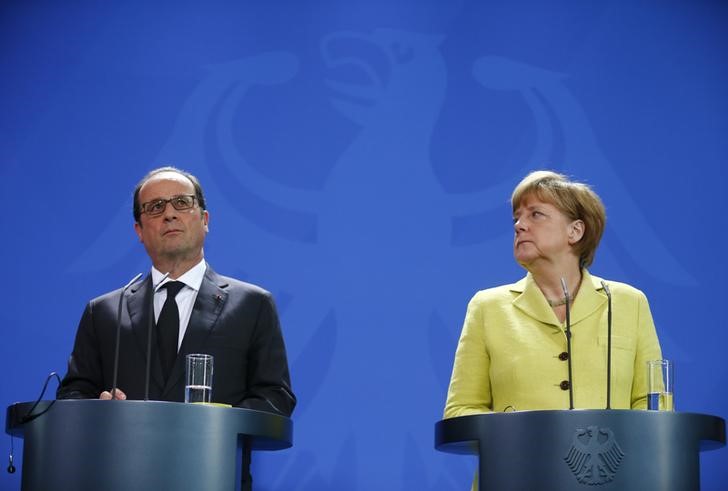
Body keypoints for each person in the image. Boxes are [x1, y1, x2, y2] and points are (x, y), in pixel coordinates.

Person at [57, 166, 295, 489]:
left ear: (205, 220)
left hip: (213, 476)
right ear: (139, 230)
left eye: (181, 203)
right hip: (122, 476)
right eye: (155, 207)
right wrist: (99, 409)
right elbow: (72, 396)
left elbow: (275, 398)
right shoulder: (103, 312)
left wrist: (212, 421)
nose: (169, 214)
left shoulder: (252, 305)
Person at [444, 170, 662, 417]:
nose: (519, 226)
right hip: (520, 456)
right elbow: (460, 411)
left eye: (536, 214)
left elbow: (653, 407)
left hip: (610, 456)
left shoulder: (629, 303)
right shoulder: (487, 307)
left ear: (575, 231)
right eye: (516, 218)